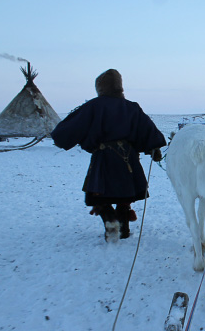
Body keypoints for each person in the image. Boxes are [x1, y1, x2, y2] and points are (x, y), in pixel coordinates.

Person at [51, 69, 166, 242]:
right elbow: (147, 129)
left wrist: (61, 138)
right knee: (124, 195)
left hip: (104, 156)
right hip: (129, 158)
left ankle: (110, 221)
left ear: (100, 87)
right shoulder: (132, 107)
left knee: (99, 194)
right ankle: (124, 229)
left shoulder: (93, 106)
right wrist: (154, 148)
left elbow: (69, 128)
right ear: (120, 87)